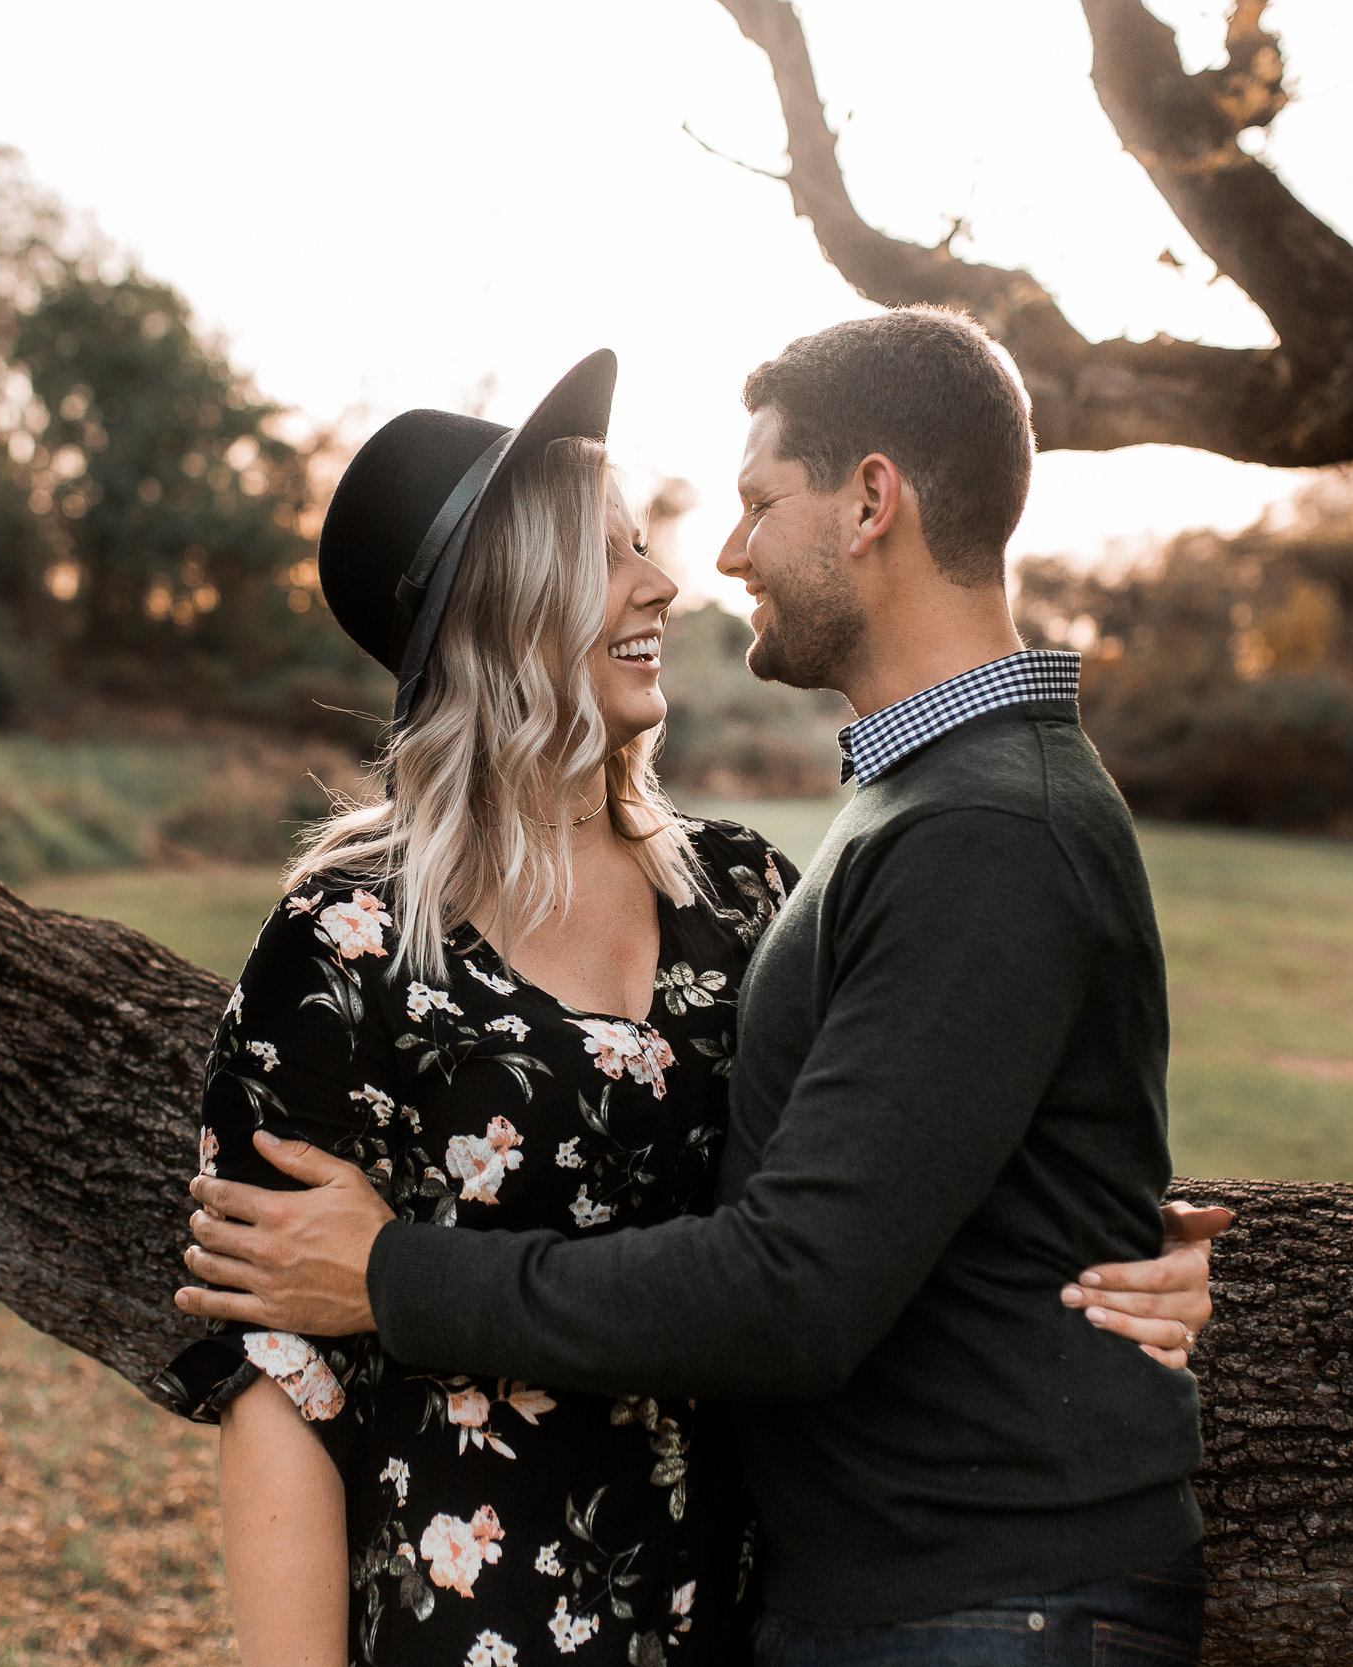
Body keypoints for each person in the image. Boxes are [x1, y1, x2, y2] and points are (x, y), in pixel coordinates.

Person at [164, 337, 1225, 1666]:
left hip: (731, 1612)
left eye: (698, 522)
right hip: (467, 1617)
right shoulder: (348, 940)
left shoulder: (742, 895)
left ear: (872, 503)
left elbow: (834, 1224)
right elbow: (275, 1365)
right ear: (514, 606)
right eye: (613, 551)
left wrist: (1110, 1246)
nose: (676, 574)